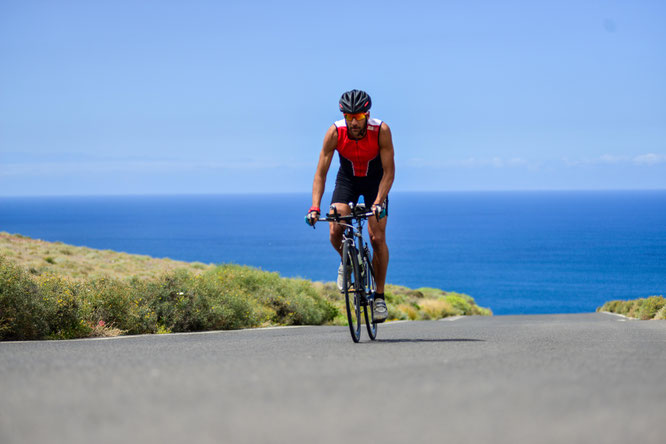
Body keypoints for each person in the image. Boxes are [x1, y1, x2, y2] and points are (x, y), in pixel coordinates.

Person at [305, 89, 395, 322]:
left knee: (377, 238)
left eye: (359, 117)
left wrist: (377, 203)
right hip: (348, 180)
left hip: (376, 182)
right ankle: (349, 261)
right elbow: (321, 173)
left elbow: (389, 172)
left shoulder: (381, 131)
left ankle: (379, 298)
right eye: (349, 117)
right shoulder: (335, 132)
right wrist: (314, 206)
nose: (354, 122)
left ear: (367, 115)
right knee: (336, 227)